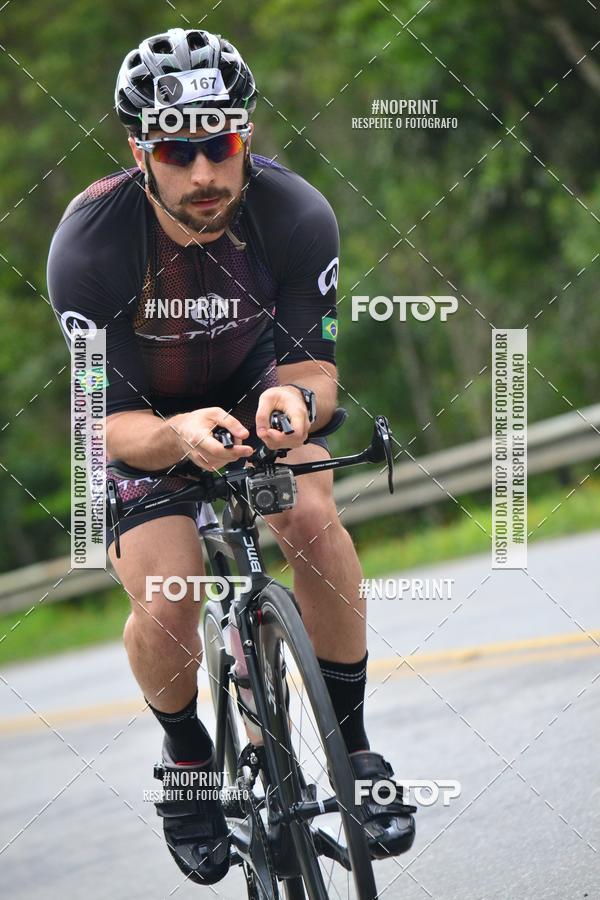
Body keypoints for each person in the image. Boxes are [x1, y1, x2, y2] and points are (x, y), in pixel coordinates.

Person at [47, 27, 416, 885]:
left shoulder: (294, 214)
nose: (206, 173)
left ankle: (355, 751)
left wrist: (296, 403)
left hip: (253, 389)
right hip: (140, 420)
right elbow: (99, 425)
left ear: (245, 135)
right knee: (171, 593)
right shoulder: (91, 246)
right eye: (179, 150)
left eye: (222, 144)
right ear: (141, 152)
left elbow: (316, 374)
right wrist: (177, 437)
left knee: (313, 513)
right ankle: (186, 763)